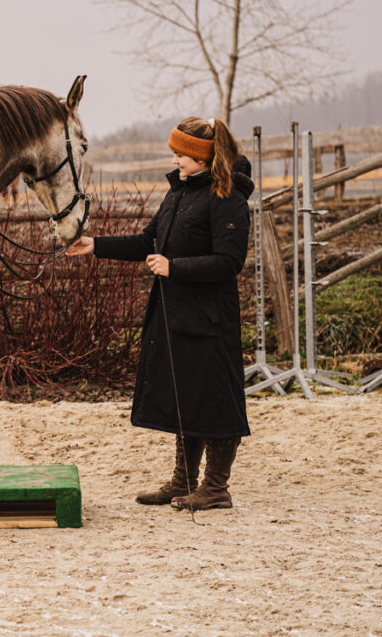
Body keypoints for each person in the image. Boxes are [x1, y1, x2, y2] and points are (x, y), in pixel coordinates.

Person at [67, 116, 253, 510]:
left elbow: (229, 262)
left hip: (211, 321)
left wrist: (174, 267)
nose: (175, 160)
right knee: (187, 397)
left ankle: (216, 488)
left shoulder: (228, 198)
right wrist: (95, 245)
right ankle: (183, 482)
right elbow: (147, 241)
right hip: (177, 317)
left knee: (216, 401)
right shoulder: (180, 192)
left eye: (181, 154)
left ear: (202, 157)